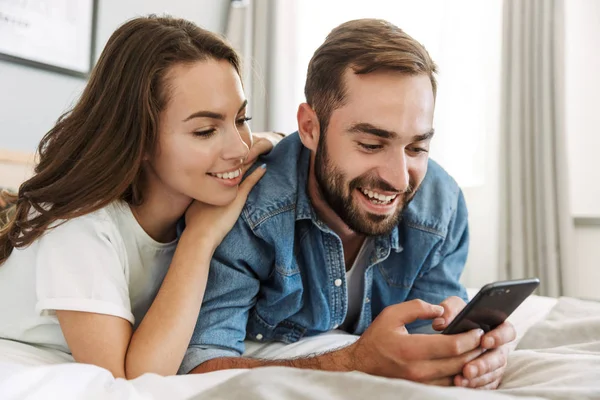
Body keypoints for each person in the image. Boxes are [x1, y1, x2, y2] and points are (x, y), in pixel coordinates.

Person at [182, 19, 516, 390]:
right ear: (310, 127)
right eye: (371, 145)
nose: (399, 180)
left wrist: (470, 353)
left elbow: (428, 335)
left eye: (417, 147)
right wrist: (354, 363)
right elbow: (199, 365)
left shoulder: (441, 204)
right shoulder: (248, 209)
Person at [0, 15, 281, 379]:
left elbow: (272, 139)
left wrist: (274, 141)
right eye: (207, 130)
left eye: (242, 119)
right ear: (140, 137)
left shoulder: (203, 186)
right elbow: (130, 380)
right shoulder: (78, 226)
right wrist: (200, 238)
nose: (240, 147)